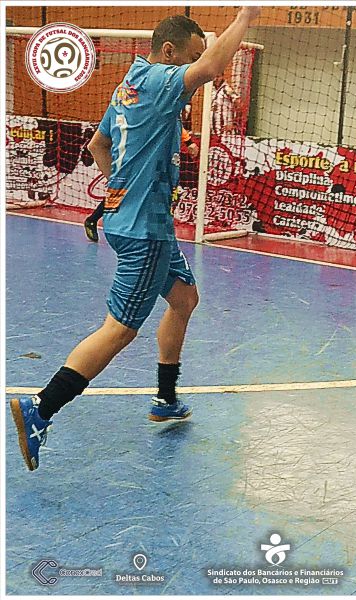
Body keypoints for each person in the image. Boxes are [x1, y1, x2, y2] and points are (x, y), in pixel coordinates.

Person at [10, 7, 262, 472]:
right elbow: (211, 68)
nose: (197, 65)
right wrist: (247, 15)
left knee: (184, 298)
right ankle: (41, 408)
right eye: (191, 55)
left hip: (142, 223)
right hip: (146, 232)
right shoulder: (160, 82)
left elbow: (98, 145)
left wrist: (120, 191)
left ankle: (165, 398)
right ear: (169, 51)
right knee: (120, 329)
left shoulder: (129, 85)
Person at [84, 128, 199, 242]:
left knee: (158, 192)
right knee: (125, 191)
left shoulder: (167, 119)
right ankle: (93, 220)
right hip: (137, 155)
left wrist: (189, 142)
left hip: (158, 157)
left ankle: (151, 230)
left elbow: (174, 122)